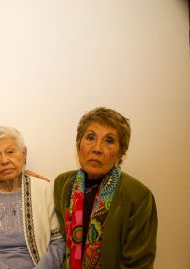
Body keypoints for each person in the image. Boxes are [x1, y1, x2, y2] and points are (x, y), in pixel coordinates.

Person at [54, 107, 158, 269]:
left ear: (121, 152)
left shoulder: (139, 195)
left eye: (109, 141)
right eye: (90, 138)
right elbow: (59, 243)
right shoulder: (63, 183)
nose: (97, 148)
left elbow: (139, 263)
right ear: (78, 144)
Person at [0, 126, 65, 269]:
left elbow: (58, 242)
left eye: (10, 152)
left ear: (24, 154)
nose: (4, 160)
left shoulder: (45, 190)